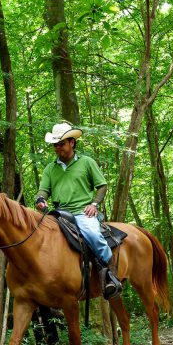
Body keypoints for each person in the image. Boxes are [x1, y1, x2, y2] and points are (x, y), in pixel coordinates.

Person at [35, 122, 122, 300]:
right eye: (55, 145)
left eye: (61, 144)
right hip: (59, 213)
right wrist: (40, 199)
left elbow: (102, 186)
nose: (58, 148)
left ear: (72, 142)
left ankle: (111, 275)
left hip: (83, 212)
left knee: (93, 235)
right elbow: (43, 190)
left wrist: (94, 204)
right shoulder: (50, 168)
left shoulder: (87, 162)